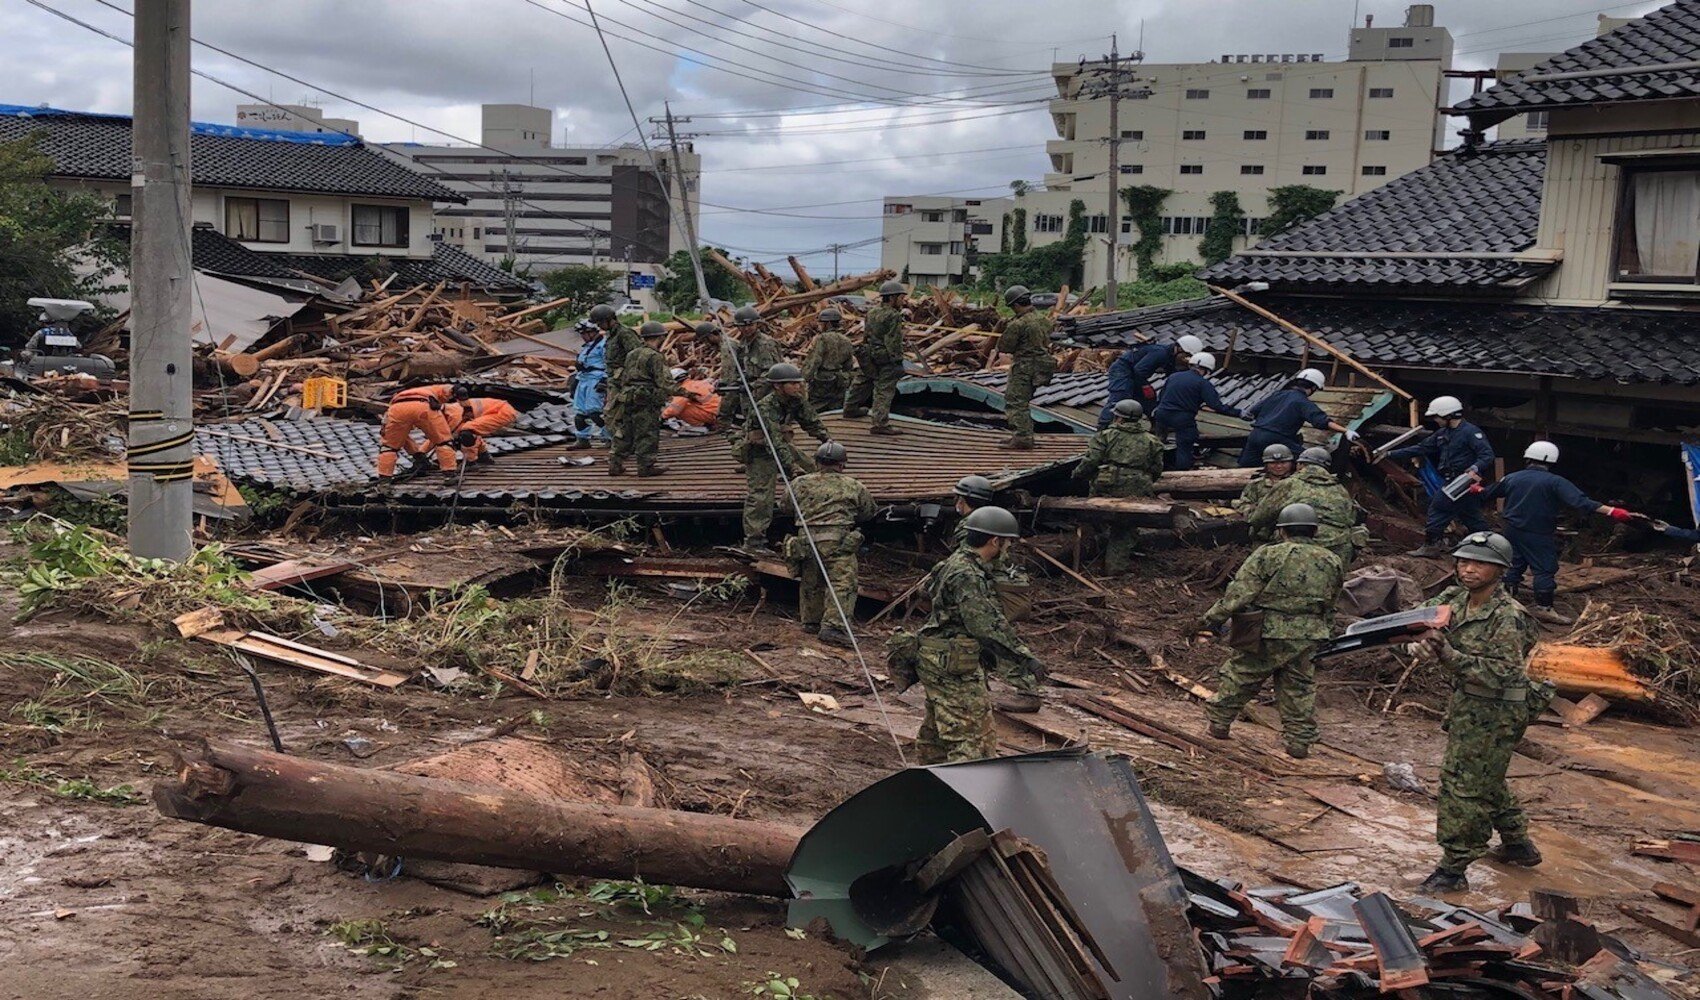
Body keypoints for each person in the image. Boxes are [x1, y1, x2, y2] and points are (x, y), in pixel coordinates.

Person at [1404, 531, 1543, 895]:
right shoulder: (1455, 598)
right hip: (1469, 703)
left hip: (1498, 708)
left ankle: (1453, 868)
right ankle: (1518, 845)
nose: (1468, 569)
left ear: (1499, 570)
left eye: (1479, 563)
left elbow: (1502, 673)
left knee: (1462, 786)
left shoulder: (1508, 616)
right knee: (1485, 776)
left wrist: (1448, 655)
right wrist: (1417, 642)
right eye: (1464, 561)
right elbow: (1424, 620)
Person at [1200, 503, 1346, 759]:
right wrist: (1325, 632)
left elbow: (1240, 593)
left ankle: (1219, 724)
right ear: (1314, 531)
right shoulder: (1332, 560)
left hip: (1265, 630)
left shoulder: (1268, 555)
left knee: (1242, 675)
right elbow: (1331, 602)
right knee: (1299, 688)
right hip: (1308, 634)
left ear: (1282, 531)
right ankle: (1299, 743)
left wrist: (1211, 618)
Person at [912, 505, 1043, 763]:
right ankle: (968, 792)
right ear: (995, 541)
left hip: (935, 656)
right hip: (953, 662)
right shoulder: (968, 574)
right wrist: (1023, 657)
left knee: (937, 729)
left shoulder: (952, 562)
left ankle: (929, 779)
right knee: (973, 737)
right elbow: (984, 624)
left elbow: (926, 592)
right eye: (1006, 543)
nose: (1007, 549)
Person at [1479, 441, 1639, 624]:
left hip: (1511, 529)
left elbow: (1487, 493)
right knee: (1545, 568)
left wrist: (1475, 488)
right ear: (1551, 461)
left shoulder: (1512, 477)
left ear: (1528, 458)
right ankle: (1543, 608)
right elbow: (1581, 502)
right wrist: (1612, 511)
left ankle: (1504, 602)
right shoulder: (1556, 482)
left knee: (1514, 563)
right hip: (1537, 532)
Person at [785, 441, 875, 649]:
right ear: (842, 464)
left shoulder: (799, 484)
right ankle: (833, 626)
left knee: (811, 580)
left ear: (816, 462)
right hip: (838, 540)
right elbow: (868, 512)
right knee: (842, 583)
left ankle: (811, 621)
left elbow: (785, 507)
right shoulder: (854, 485)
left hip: (806, 538)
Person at [739, 362, 831, 553]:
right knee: (761, 495)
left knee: (817, 472)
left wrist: (827, 440)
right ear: (778, 386)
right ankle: (754, 542)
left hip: (780, 444)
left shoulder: (796, 399)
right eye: (793, 384)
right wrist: (791, 466)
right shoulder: (765, 406)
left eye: (798, 383)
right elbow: (774, 440)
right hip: (760, 451)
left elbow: (811, 420)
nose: (798, 387)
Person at [1389, 396, 1496, 557]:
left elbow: (1487, 455)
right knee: (1470, 514)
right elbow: (1421, 448)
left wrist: (1474, 468)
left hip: (1462, 480)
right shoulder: (1443, 433)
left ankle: (1431, 545)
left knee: (1438, 508)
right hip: (1452, 479)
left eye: (1437, 417)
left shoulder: (1471, 432)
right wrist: (1389, 453)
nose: (1436, 420)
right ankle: (1489, 545)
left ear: (1448, 416)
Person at [1073, 399, 1164, 572]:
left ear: (1118, 418)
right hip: (1138, 488)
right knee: (1126, 526)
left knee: (1096, 517)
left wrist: (1077, 475)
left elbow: (1091, 461)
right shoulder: (1152, 441)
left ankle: (1099, 560)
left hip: (1107, 485)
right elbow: (1157, 469)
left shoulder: (1106, 435)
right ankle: (1116, 564)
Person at [1249, 447, 1366, 567]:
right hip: (1338, 550)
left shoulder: (1290, 484)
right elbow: (1350, 519)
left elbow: (1259, 517)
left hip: (1297, 549)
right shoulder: (1340, 489)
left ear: (1299, 465)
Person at [1238, 368, 1361, 466]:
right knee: (1309, 460)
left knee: (1246, 467)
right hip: (1277, 438)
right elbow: (1322, 421)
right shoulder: (1302, 402)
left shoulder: (1277, 394)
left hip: (1255, 435)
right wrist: (1346, 431)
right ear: (1313, 388)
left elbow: (1252, 412)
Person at [1150, 352, 1242, 470]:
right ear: (1207, 369)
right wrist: (1238, 412)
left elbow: (1162, 396)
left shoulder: (1174, 376)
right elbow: (1216, 405)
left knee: (1158, 444)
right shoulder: (1202, 383)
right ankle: (1180, 475)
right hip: (1182, 418)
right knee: (1184, 448)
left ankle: (1153, 468)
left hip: (1162, 414)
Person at [606, 322, 673, 478]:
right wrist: (686, 393)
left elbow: (625, 376)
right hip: (646, 398)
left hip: (628, 395)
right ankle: (645, 466)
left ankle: (615, 464)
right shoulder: (655, 356)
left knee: (625, 430)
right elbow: (663, 381)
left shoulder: (632, 354)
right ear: (660, 337)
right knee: (647, 432)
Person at [996, 284, 1057, 451]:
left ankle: (1022, 437)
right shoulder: (1044, 320)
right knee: (1024, 400)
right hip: (1042, 365)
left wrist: (1003, 329)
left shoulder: (1018, 324)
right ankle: (1024, 435)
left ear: (1015, 305)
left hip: (1024, 365)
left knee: (1015, 400)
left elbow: (1005, 347)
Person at [1096, 335, 1203, 429]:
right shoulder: (1160, 353)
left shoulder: (1170, 356)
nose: (1185, 358)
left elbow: (1172, 375)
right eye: (1185, 354)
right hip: (1122, 370)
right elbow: (1139, 371)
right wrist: (1144, 387)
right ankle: (1103, 426)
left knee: (1149, 399)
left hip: (1135, 373)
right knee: (1121, 396)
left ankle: (1157, 425)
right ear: (1179, 348)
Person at [843, 280, 907, 435]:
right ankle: (880, 423)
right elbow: (893, 340)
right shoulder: (894, 315)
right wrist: (897, 360)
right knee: (884, 389)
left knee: (862, 381)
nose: (903, 301)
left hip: (869, 353)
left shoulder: (872, 312)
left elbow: (866, 335)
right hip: (885, 357)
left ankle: (850, 408)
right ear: (892, 298)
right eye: (901, 297)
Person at [376, 383, 466, 479]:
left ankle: (384, 479)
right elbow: (455, 389)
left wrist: (418, 455)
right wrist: (463, 398)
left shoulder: (404, 394)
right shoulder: (436, 390)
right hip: (422, 406)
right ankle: (449, 474)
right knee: (444, 442)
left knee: (389, 447)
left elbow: (402, 438)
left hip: (396, 409)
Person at [717, 309, 783, 435]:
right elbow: (743, 368)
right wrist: (729, 384)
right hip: (750, 392)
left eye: (750, 325)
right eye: (743, 326)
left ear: (757, 324)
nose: (747, 329)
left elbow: (772, 372)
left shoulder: (765, 344)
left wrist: (752, 386)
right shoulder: (744, 343)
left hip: (765, 392)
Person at [1237, 444, 1296, 542]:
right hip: (1262, 533)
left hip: (1290, 533)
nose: (1279, 466)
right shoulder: (1256, 485)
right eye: (1273, 463)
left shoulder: (1296, 484)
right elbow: (1243, 503)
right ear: (1266, 464)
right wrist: (1255, 512)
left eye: (1283, 462)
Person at [802, 308, 855, 410]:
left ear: (828, 324)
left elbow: (815, 361)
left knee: (815, 407)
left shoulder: (822, 339)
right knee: (836, 409)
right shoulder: (847, 340)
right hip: (840, 381)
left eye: (821, 323)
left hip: (822, 381)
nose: (819, 326)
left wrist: (804, 378)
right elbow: (849, 365)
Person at [569, 319, 608, 449]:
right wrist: (575, 382)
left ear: (592, 332)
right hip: (584, 379)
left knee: (595, 412)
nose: (583, 337)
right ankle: (582, 439)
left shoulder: (603, 345)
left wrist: (604, 380)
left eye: (584, 334)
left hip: (596, 380)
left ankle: (610, 438)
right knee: (580, 412)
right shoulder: (587, 347)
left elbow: (610, 364)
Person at [449, 396, 518, 466]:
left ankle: (471, 462)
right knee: (470, 431)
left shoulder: (453, 413)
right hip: (503, 410)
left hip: (503, 412)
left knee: (466, 432)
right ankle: (483, 456)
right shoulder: (456, 410)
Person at [661, 367, 721, 434]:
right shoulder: (699, 383)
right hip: (718, 413)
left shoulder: (683, 389)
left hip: (710, 415)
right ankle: (709, 424)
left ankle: (702, 426)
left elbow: (675, 409)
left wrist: (662, 417)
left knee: (681, 409)